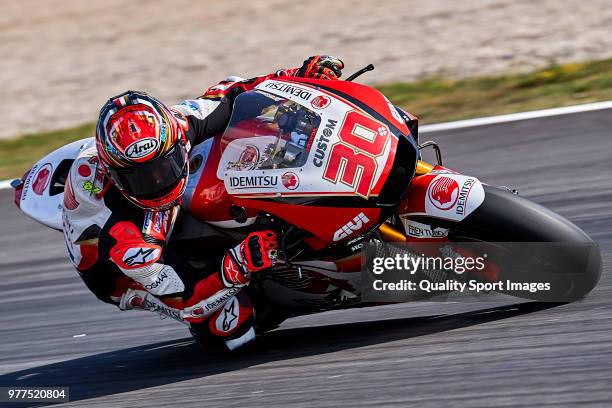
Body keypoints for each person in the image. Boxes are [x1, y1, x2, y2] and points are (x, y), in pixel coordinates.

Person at [61, 56, 344, 351]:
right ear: (117, 177)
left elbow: (233, 93)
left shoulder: (177, 125)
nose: (159, 182)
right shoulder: (126, 241)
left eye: (165, 166)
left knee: (249, 131)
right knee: (230, 328)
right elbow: (185, 299)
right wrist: (237, 265)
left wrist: (298, 75)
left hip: (151, 212)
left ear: (175, 140)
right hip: (121, 271)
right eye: (142, 178)